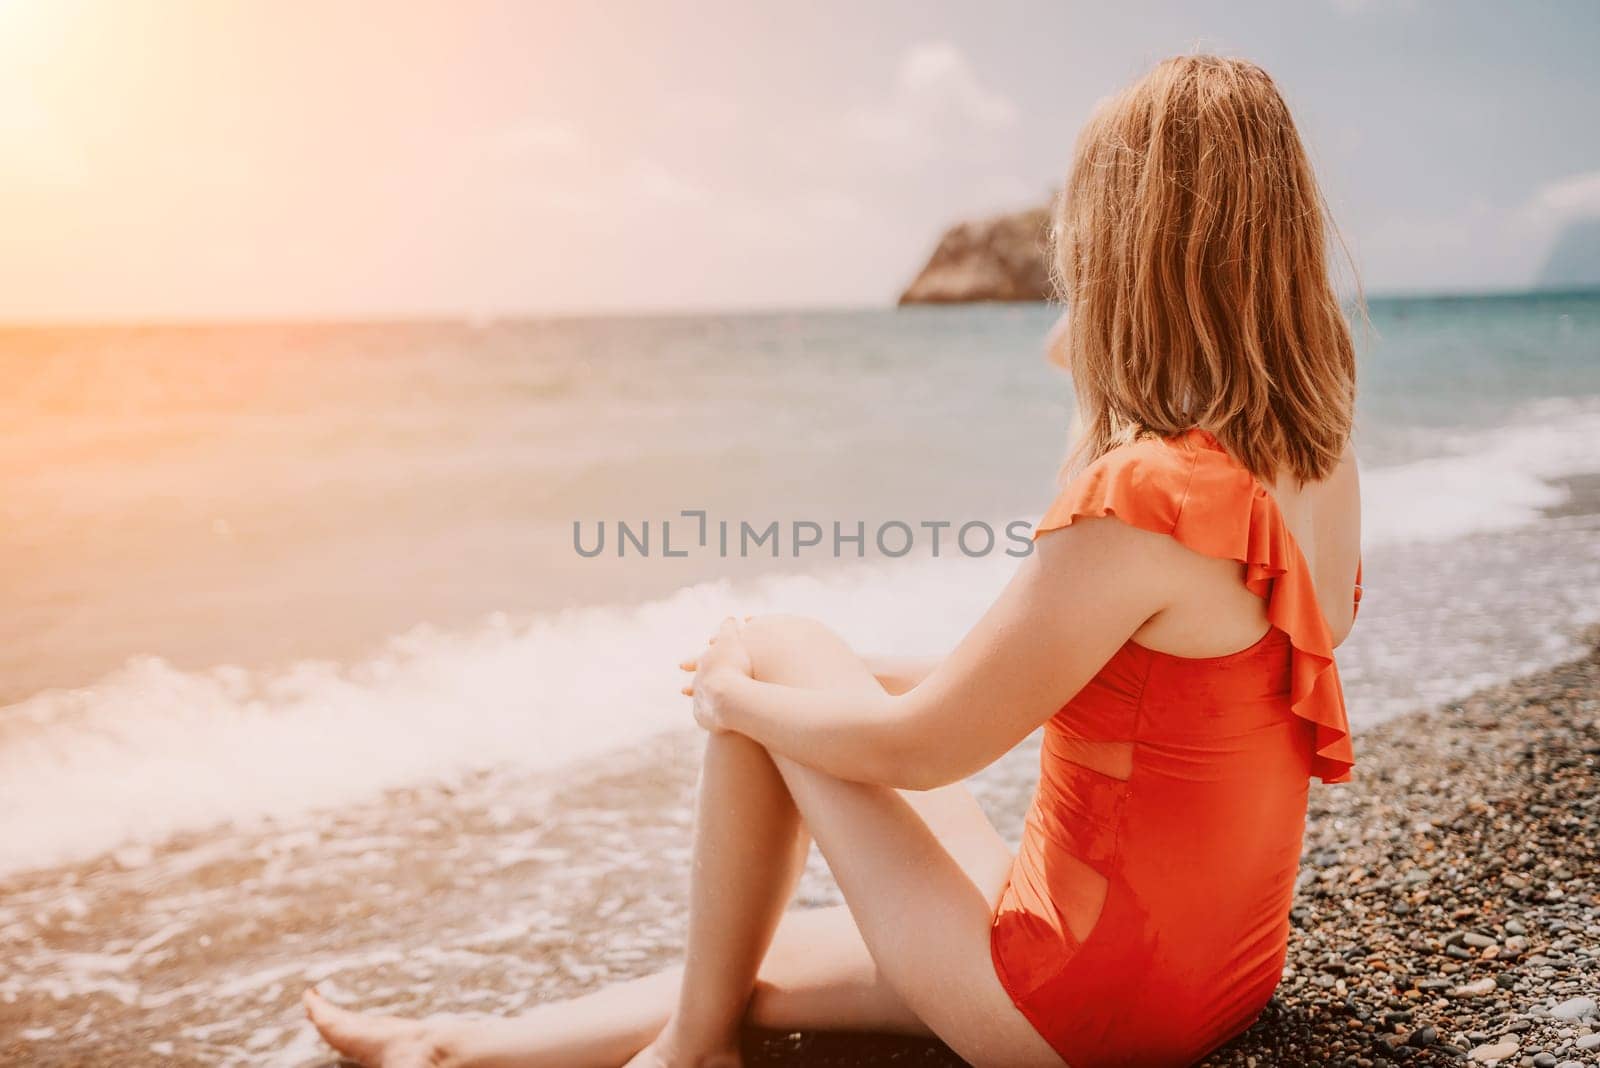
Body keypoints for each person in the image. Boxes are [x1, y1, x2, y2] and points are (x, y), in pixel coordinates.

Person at [305, 53, 1363, 1068]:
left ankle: (692, 1048)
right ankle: (451, 1047)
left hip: (1084, 1011)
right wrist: (826, 685)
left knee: (773, 652)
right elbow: (1123, 695)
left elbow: (923, 748)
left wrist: (738, 699)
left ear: (1120, 253)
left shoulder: (1147, 496)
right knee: (760, 963)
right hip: (1215, 974)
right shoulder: (1316, 461)